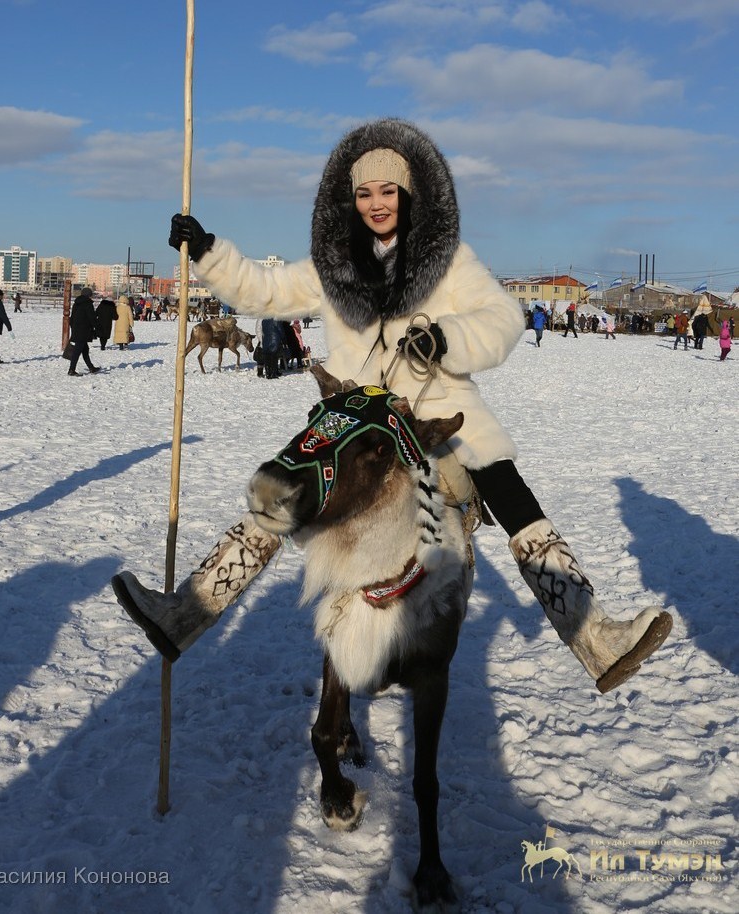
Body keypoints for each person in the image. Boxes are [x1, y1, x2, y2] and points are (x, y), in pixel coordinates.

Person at [113, 118, 672, 694]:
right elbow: (266, 291)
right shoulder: (334, 266)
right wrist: (206, 251)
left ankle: (595, 636)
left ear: (408, 196)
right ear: (350, 200)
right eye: (364, 193)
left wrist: (445, 338)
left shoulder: (450, 262)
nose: (376, 203)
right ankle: (185, 613)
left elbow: (502, 318)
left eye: (387, 191)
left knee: (507, 487)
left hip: (436, 402)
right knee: (285, 483)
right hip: (357, 413)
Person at [67, 286, 101, 376]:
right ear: (88, 295)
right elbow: (92, 317)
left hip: (76, 329)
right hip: (84, 330)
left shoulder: (76, 303)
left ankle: (91, 367)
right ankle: (71, 369)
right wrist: (97, 326)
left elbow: (72, 317)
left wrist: (73, 327)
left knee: (85, 349)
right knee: (77, 351)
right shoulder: (87, 304)